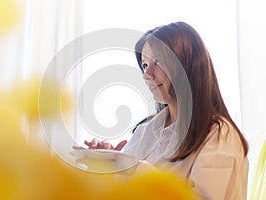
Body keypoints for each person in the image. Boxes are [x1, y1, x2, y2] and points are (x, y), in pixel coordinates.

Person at [77, 22, 249, 200]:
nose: (147, 74)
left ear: (187, 65)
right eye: (144, 65)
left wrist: (134, 167)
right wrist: (108, 164)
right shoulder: (146, 131)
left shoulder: (219, 136)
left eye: (157, 62)